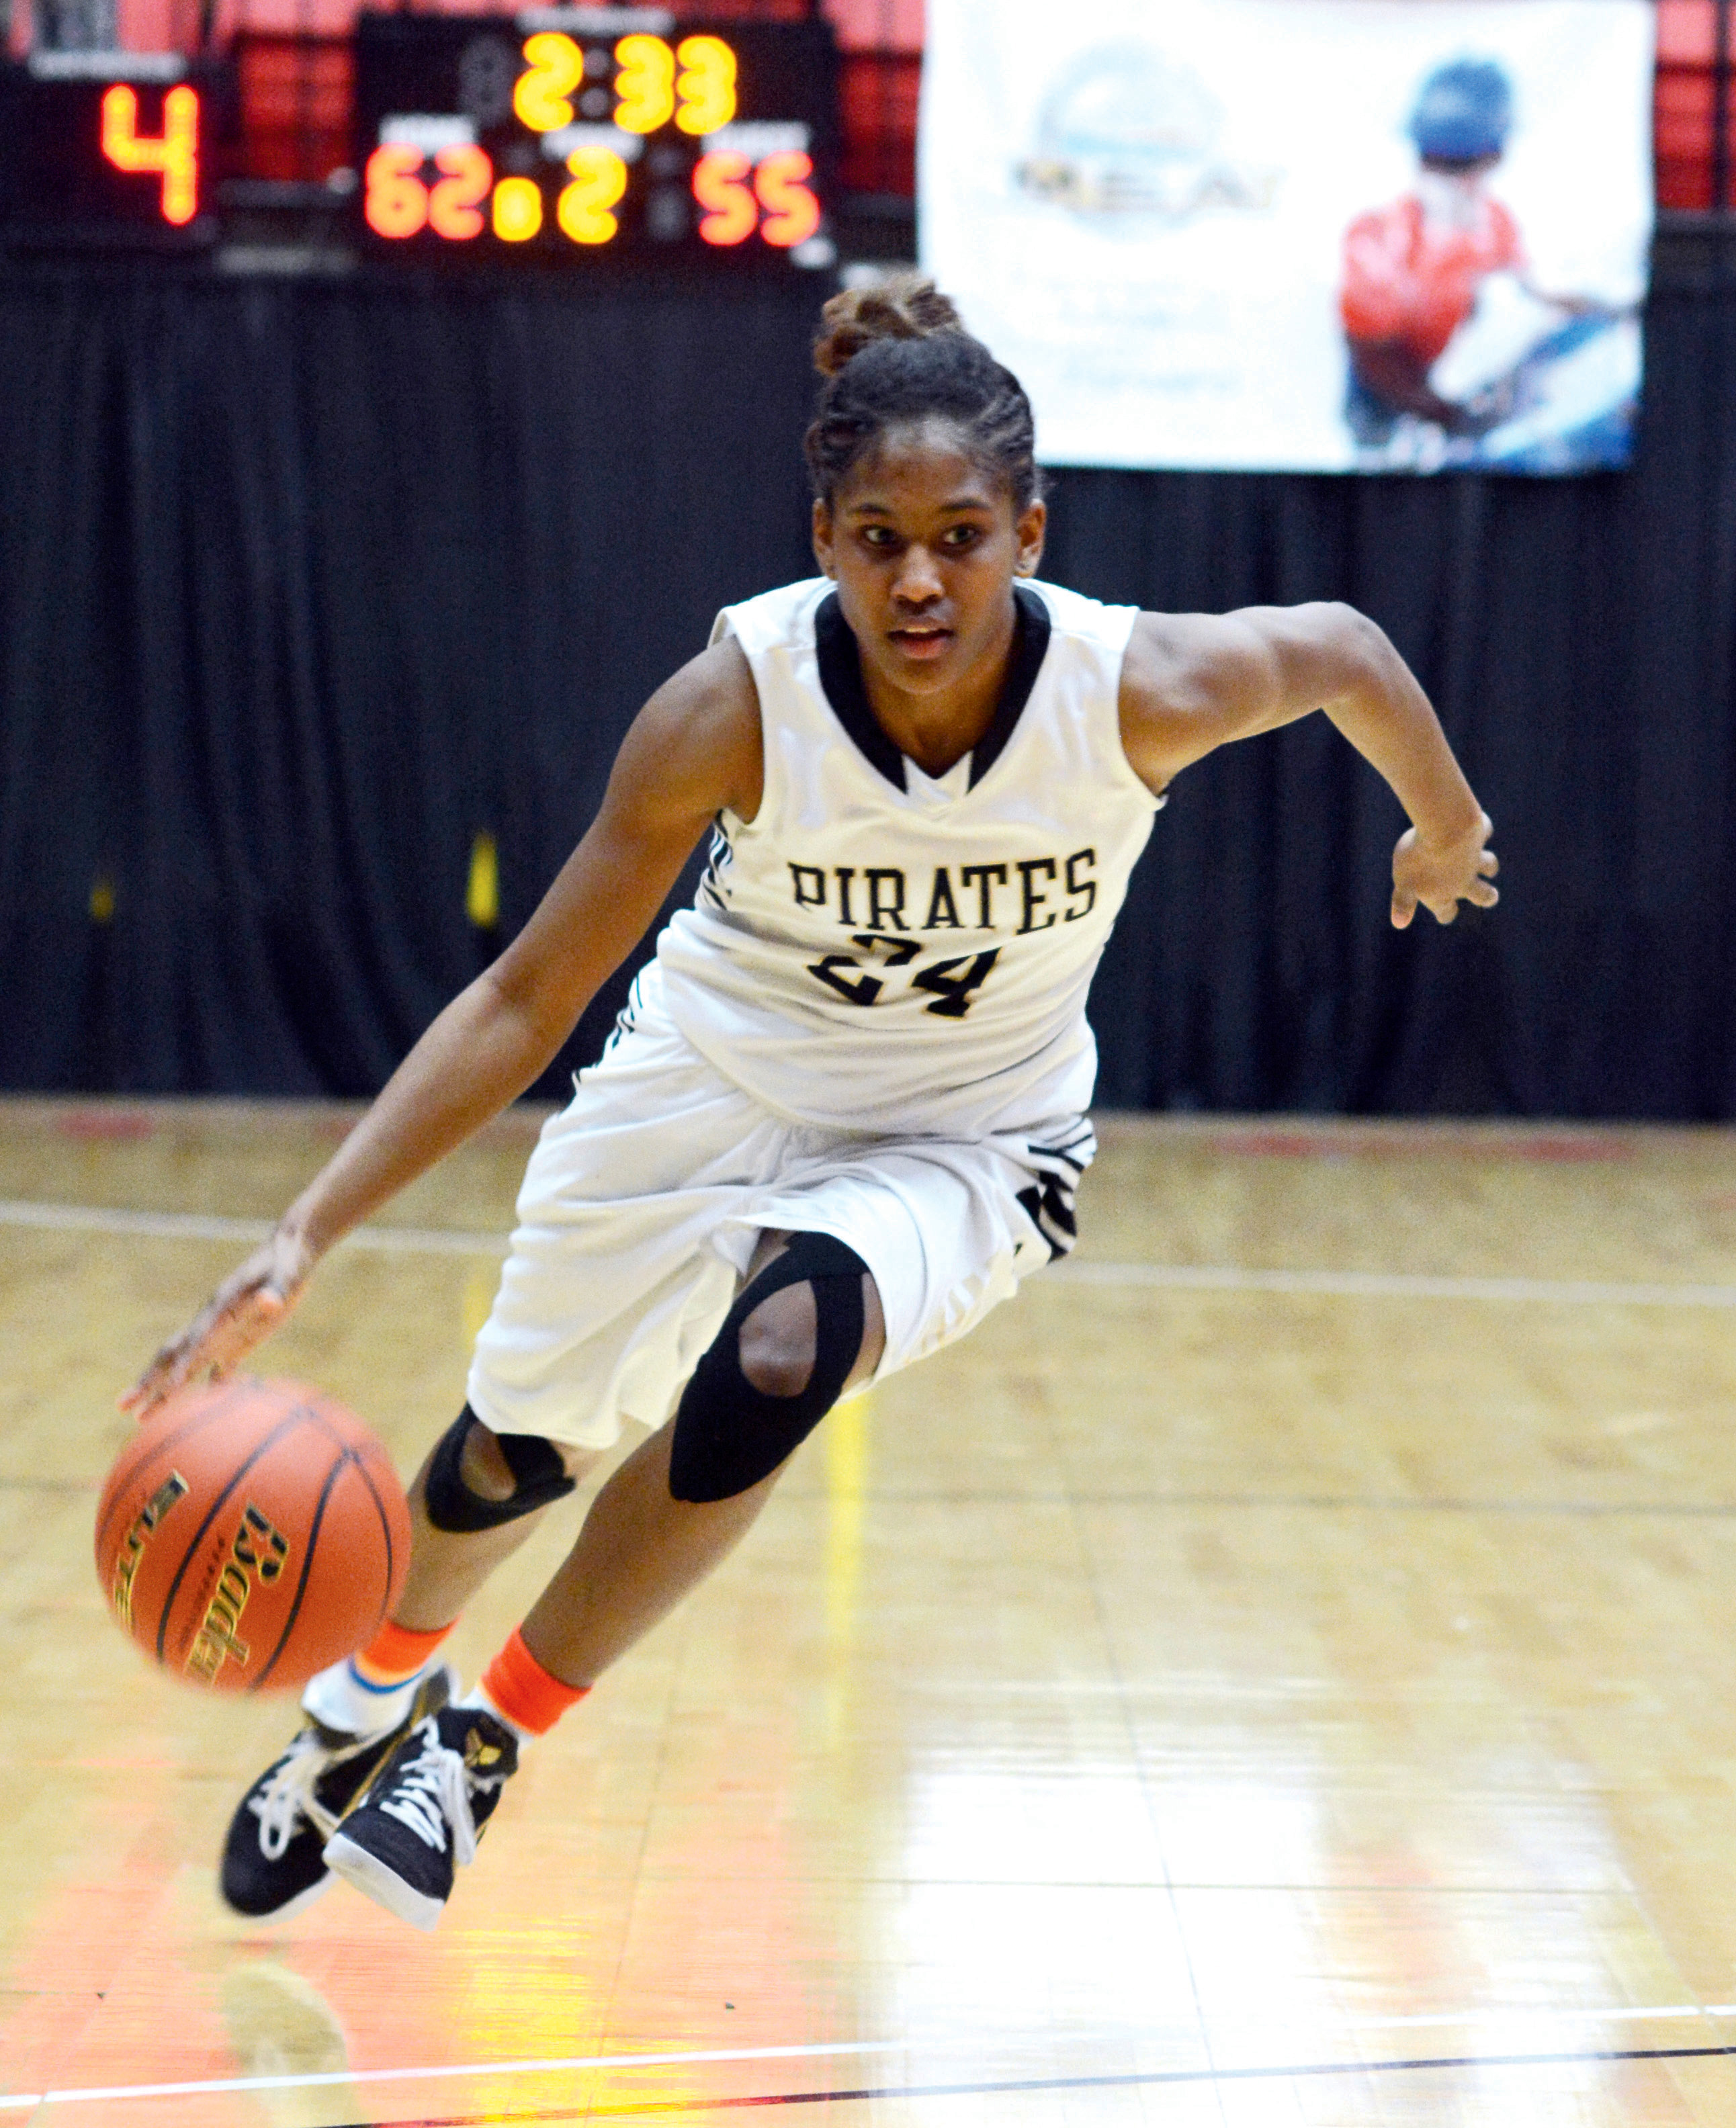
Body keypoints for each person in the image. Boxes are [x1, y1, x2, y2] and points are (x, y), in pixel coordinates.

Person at [124, 275, 1499, 1935]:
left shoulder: (1135, 689)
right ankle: (349, 1721)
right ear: (825, 535)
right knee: (510, 1457)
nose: (920, 576)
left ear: (1032, 533)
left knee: (783, 1353)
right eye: (877, 536)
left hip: (969, 1137)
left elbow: (1347, 651)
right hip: (705, 1081)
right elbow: (521, 996)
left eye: (963, 535)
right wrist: (305, 1225)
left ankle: (482, 1742)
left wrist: (1441, 823)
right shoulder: (732, 706)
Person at [1340, 58, 1526, 445]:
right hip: (1389, 421)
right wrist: (1444, 415)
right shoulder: (1377, 235)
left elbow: (1517, 310)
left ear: (1495, 158)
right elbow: (1372, 352)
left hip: (1463, 409)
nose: (1450, 180)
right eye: (1437, 162)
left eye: (1463, 164)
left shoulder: (1497, 226)